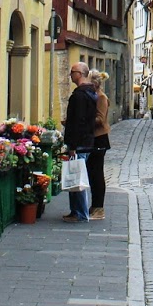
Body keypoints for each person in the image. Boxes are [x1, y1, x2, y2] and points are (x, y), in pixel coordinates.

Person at [61, 62, 95, 223]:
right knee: (75, 175)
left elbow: (78, 122)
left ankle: (80, 213)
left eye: (72, 72)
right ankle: (75, 211)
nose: (70, 75)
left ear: (80, 74)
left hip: (80, 142)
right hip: (86, 140)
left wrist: (73, 145)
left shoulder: (80, 96)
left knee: (77, 177)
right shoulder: (89, 93)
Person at [87, 69, 111, 220]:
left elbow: (100, 119)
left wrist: (83, 120)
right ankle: (94, 206)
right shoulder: (94, 96)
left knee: (97, 174)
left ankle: (99, 208)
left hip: (99, 138)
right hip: (94, 138)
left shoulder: (101, 97)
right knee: (92, 173)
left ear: (94, 83)